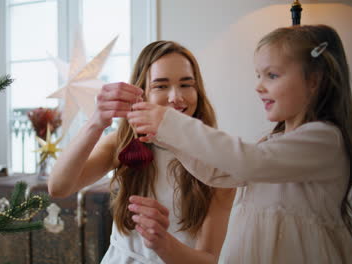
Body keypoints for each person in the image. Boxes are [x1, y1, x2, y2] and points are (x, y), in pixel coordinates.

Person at [128, 25, 352, 263]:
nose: (259, 86)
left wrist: (170, 123)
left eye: (272, 75)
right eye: (259, 75)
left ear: (314, 80)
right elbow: (218, 173)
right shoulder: (274, 142)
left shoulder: (324, 140)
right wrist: (166, 138)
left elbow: (248, 161)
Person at [49, 40, 235, 263]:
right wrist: (96, 122)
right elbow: (59, 187)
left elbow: (208, 259)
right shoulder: (122, 143)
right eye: (161, 86)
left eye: (186, 84)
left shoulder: (218, 157)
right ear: (142, 94)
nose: (176, 97)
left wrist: (162, 243)